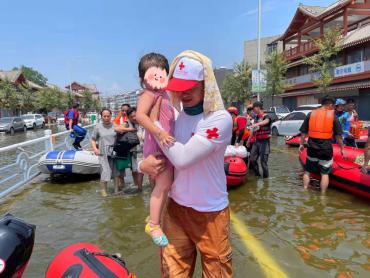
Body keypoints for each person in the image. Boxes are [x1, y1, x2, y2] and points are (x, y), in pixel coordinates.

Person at [139, 50, 233, 277]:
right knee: (171, 273)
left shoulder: (219, 119)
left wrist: (154, 126)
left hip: (210, 213)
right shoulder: (175, 116)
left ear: (206, 84)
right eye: (180, 86)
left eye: (192, 86)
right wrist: (142, 165)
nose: (185, 92)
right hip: (176, 209)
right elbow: (151, 149)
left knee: (216, 272)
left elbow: (181, 159)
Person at [136, 53, 175, 247]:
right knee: (164, 183)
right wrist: (159, 133)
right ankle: (154, 224)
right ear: (143, 79)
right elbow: (140, 117)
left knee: (167, 184)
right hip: (158, 146)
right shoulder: (148, 95)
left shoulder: (167, 95)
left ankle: (155, 217)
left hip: (167, 145)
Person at [299, 97, 346, 193]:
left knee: (307, 171)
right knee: (324, 173)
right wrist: (342, 149)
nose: (333, 108)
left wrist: (301, 144)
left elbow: (303, 132)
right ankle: (323, 195)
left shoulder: (311, 113)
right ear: (330, 105)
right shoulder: (333, 116)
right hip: (326, 147)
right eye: (333, 106)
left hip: (312, 146)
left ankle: (304, 190)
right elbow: (338, 136)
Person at [91, 109, 126, 197]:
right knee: (105, 172)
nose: (106, 118)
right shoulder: (97, 127)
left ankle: (116, 191)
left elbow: (122, 136)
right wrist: (95, 149)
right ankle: (104, 192)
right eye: (104, 116)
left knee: (116, 172)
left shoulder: (116, 126)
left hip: (114, 152)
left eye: (108, 116)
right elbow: (93, 139)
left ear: (111, 116)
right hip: (103, 153)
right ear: (101, 116)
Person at [249, 101, 272, 178]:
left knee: (263, 162)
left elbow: (266, 121)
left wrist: (257, 124)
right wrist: (249, 140)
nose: (253, 110)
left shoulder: (266, 116)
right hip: (256, 141)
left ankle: (266, 180)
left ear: (258, 107)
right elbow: (253, 130)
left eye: (254, 108)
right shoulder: (256, 117)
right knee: (252, 159)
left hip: (264, 142)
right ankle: (258, 175)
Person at [113, 103, 132, 192]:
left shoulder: (132, 119)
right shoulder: (118, 119)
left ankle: (137, 185)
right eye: (122, 110)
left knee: (134, 169)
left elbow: (118, 129)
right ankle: (122, 185)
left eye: (126, 111)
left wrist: (120, 129)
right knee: (120, 167)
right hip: (120, 146)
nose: (124, 112)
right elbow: (115, 128)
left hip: (131, 147)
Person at [127, 107, 145, 192]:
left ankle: (153, 190)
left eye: (135, 115)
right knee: (139, 171)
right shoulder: (128, 124)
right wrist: (130, 129)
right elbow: (117, 128)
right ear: (129, 117)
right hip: (137, 152)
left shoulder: (145, 122)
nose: (134, 118)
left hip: (148, 150)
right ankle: (139, 189)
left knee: (151, 173)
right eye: (131, 116)